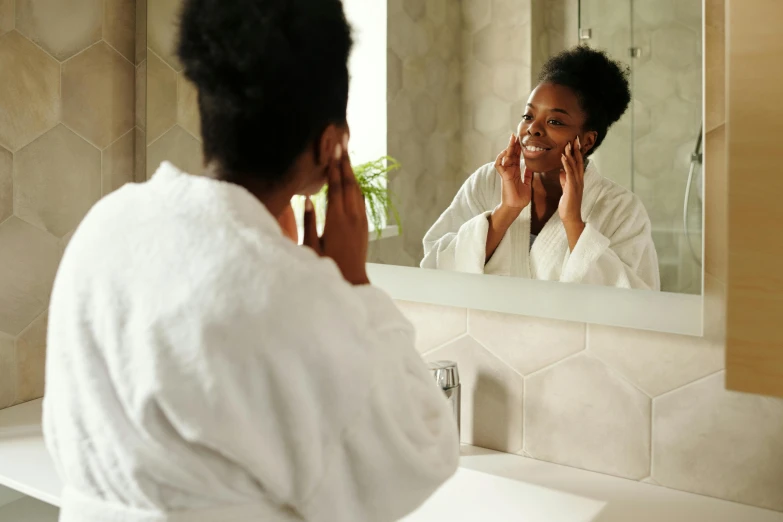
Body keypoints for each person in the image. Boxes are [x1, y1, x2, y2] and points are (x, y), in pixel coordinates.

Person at [42, 1, 459, 521]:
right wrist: (353, 284)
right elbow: (422, 452)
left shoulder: (107, 224)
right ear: (331, 143)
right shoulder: (291, 296)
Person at [421, 46, 660, 290]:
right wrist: (506, 211)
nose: (533, 128)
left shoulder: (621, 209)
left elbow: (636, 300)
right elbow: (436, 265)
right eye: (528, 116)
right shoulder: (488, 181)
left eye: (555, 121)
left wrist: (573, 222)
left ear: (587, 141)